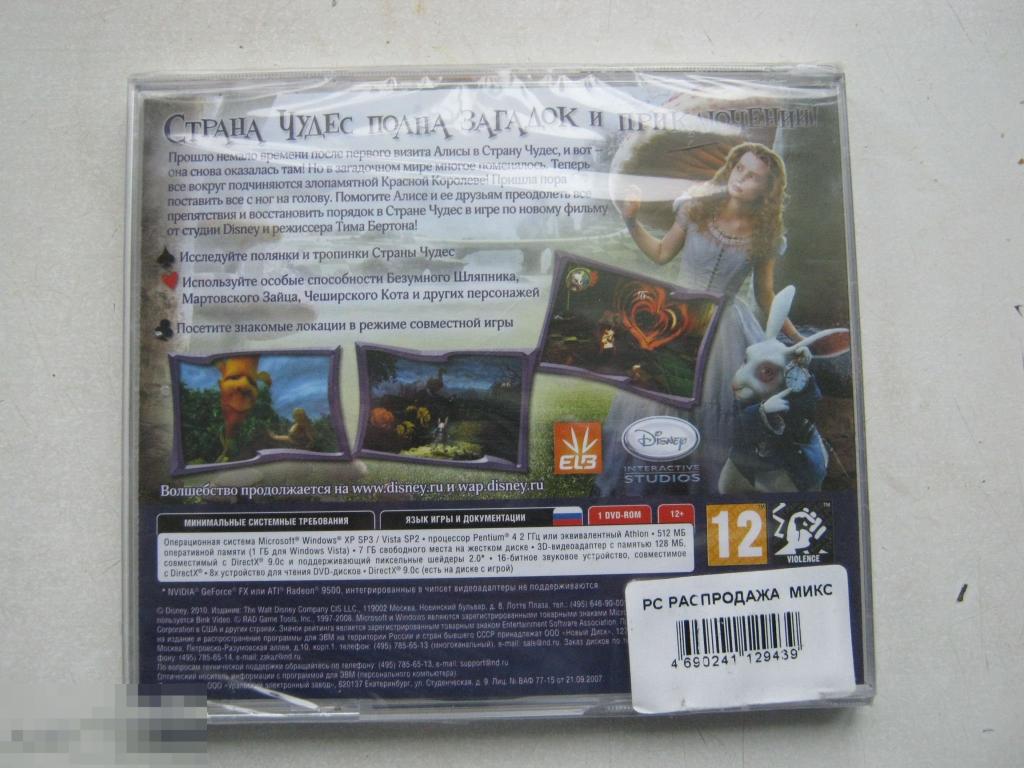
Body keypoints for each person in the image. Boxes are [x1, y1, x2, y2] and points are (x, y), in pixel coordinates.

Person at [596, 142, 802, 496]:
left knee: (715, 404)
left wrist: (797, 340)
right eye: (739, 168)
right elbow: (661, 253)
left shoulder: (766, 236)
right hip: (676, 317)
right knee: (657, 398)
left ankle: (705, 486)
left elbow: (766, 296)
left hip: (726, 329)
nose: (741, 178)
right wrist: (631, 220)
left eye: (754, 177)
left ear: (766, 190)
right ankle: (656, 480)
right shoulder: (695, 208)